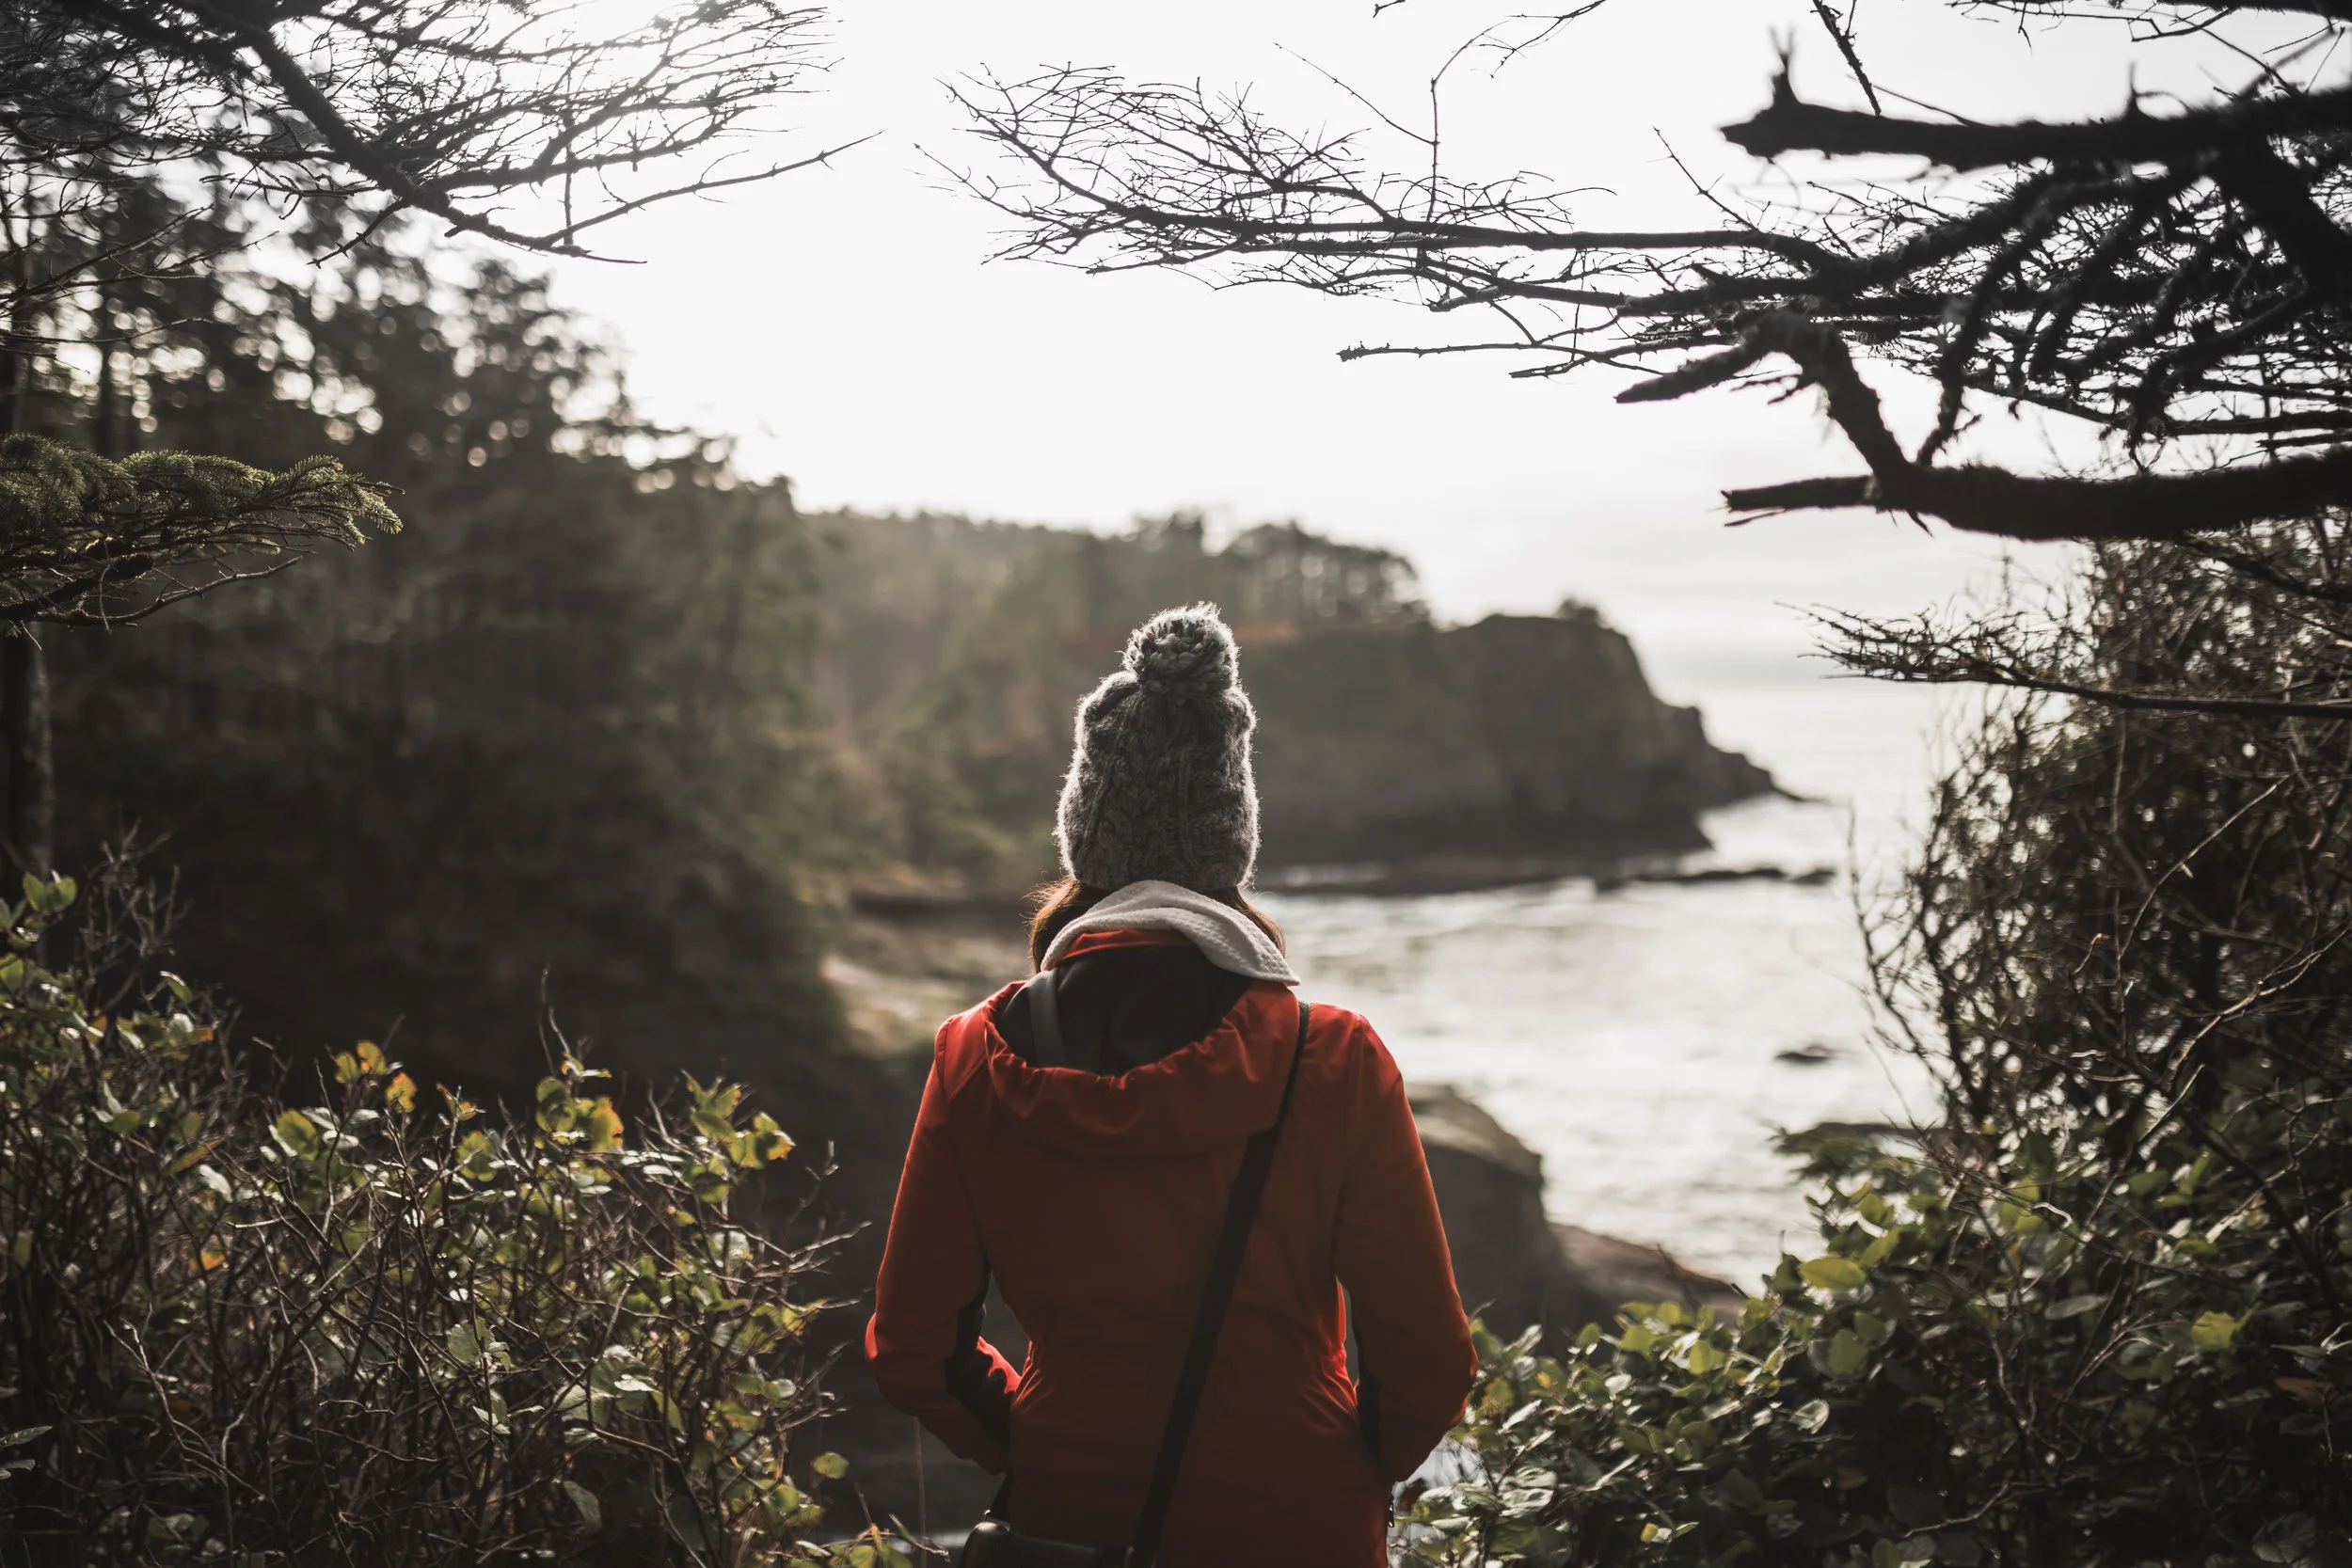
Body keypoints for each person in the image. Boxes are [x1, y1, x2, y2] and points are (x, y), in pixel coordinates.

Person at [865, 604, 1476, 1566]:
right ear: (1230, 847)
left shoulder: (972, 1059)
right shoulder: (1332, 1057)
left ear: (1083, 847)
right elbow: (1431, 1364)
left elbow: (913, 1347)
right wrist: (1344, 1467)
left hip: (1069, 1516)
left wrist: (1039, 1434)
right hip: (1300, 1521)